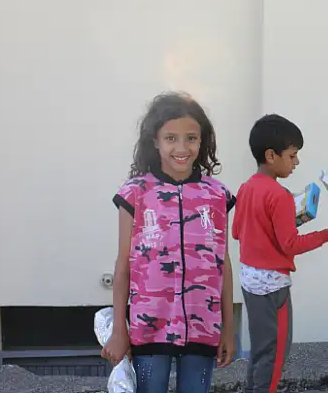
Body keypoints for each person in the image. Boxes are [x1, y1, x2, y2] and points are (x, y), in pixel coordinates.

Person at [101, 92, 237, 393]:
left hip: (203, 325)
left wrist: (229, 327)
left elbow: (222, 264)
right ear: (155, 141)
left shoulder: (217, 195)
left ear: (202, 142)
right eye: (171, 138)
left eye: (191, 138)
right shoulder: (135, 193)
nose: (181, 148)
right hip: (149, 328)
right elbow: (123, 265)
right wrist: (119, 330)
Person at [232, 114, 328, 393]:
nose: (296, 162)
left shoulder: (246, 188)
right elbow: (291, 245)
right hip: (274, 286)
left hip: (250, 282)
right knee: (276, 354)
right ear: (271, 155)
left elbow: (238, 232)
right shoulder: (280, 196)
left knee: (260, 351)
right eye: (293, 155)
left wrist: (281, 224)